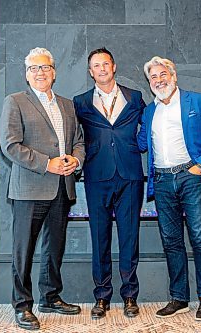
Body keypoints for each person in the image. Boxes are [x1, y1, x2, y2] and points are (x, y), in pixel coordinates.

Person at [0, 47, 85, 330]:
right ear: (27, 75)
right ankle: (22, 305)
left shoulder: (67, 105)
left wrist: (76, 158)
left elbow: (78, 141)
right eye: (34, 68)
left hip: (62, 187)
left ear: (54, 72)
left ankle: (50, 297)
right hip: (29, 188)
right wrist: (46, 164)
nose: (40, 72)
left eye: (45, 67)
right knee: (23, 249)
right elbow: (10, 145)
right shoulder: (15, 102)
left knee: (54, 247)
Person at [137, 56, 201, 321]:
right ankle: (179, 298)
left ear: (173, 76)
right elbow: (140, 143)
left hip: (191, 177)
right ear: (149, 83)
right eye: (153, 77)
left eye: (163, 75)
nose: (159, 80)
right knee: (172, 241)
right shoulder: (149, 111)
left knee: (200, 238)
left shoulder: (196, 101)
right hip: (162, 181)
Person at [73, 48, 146, 319]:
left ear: (114, 67)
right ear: (91, 72)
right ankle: (102, 296)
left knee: (129, 238)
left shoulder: (135, 97)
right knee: (99, 238)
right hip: (96, 176)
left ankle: (129, 296)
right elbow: (72, 136)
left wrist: (141, 146)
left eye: (106, 63)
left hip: (130, 176)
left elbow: (149, 127)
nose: (102, 68)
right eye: (96, 65)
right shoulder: (79, 102)